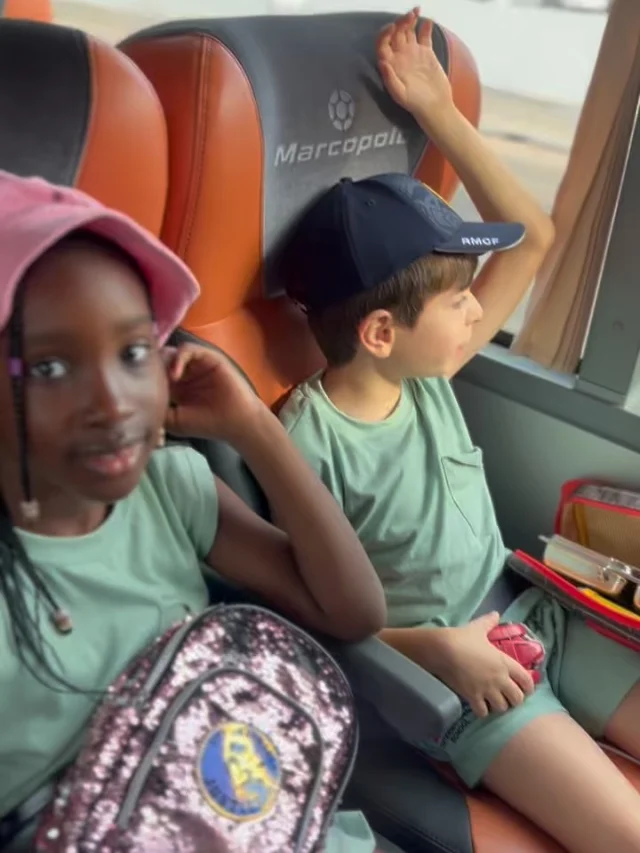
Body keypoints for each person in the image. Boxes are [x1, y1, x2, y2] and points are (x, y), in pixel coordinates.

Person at [278, 8, 640, 853]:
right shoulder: (306, 443)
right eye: (458, 300)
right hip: (464, 678)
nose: (479, 311)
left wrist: (439, 112)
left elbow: (534, 235)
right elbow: (297, 612)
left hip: (534, 612)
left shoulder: (428, 377)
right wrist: (439, 648)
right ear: (380, 331)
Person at [0, 170, 389, 853]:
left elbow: (354, 609)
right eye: (51, 369)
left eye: (134, 353)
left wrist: (252, 428)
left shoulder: (167, 487)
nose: (114, 403)